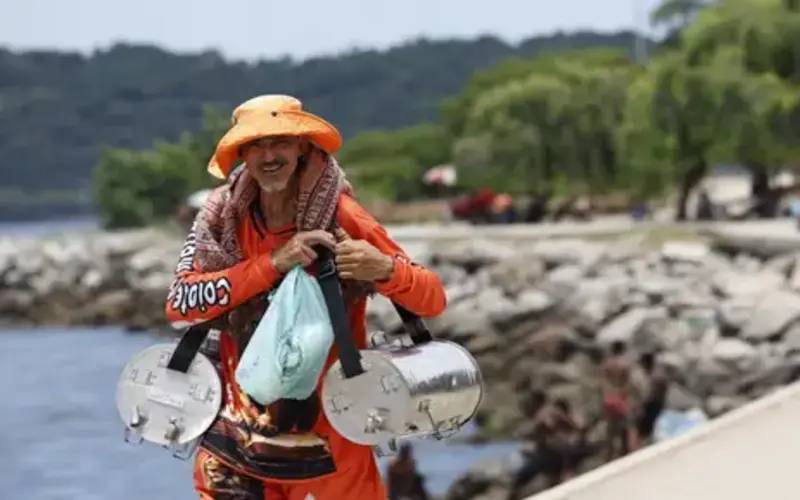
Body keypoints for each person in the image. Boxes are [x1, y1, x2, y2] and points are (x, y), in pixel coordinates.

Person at [164, 95, 447, 500]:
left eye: (280, 141)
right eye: (256, 144)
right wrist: (276, 262)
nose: (269, 155)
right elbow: (182, 302)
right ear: (242, 153)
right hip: (237, 433)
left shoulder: (343, 216)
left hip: (331, 436)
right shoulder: (220, 217)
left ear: (302, 147)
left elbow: (432, 299)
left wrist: (384, 269)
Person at [600, 341, 639, 460]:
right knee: (628, 425)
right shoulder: (625, 364)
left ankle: (609, 455)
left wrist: (608, 395)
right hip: (621, 398)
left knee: (611, 428)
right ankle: (629, 451)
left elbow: (603, 383)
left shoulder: (607, 364)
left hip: (609, 398)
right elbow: (628, 384)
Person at [636, 352, 669, 443]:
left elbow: (653, 394)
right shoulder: (653, 373)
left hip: (653, 405)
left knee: (649, 429)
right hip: (653, 405)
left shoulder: (656, 376)